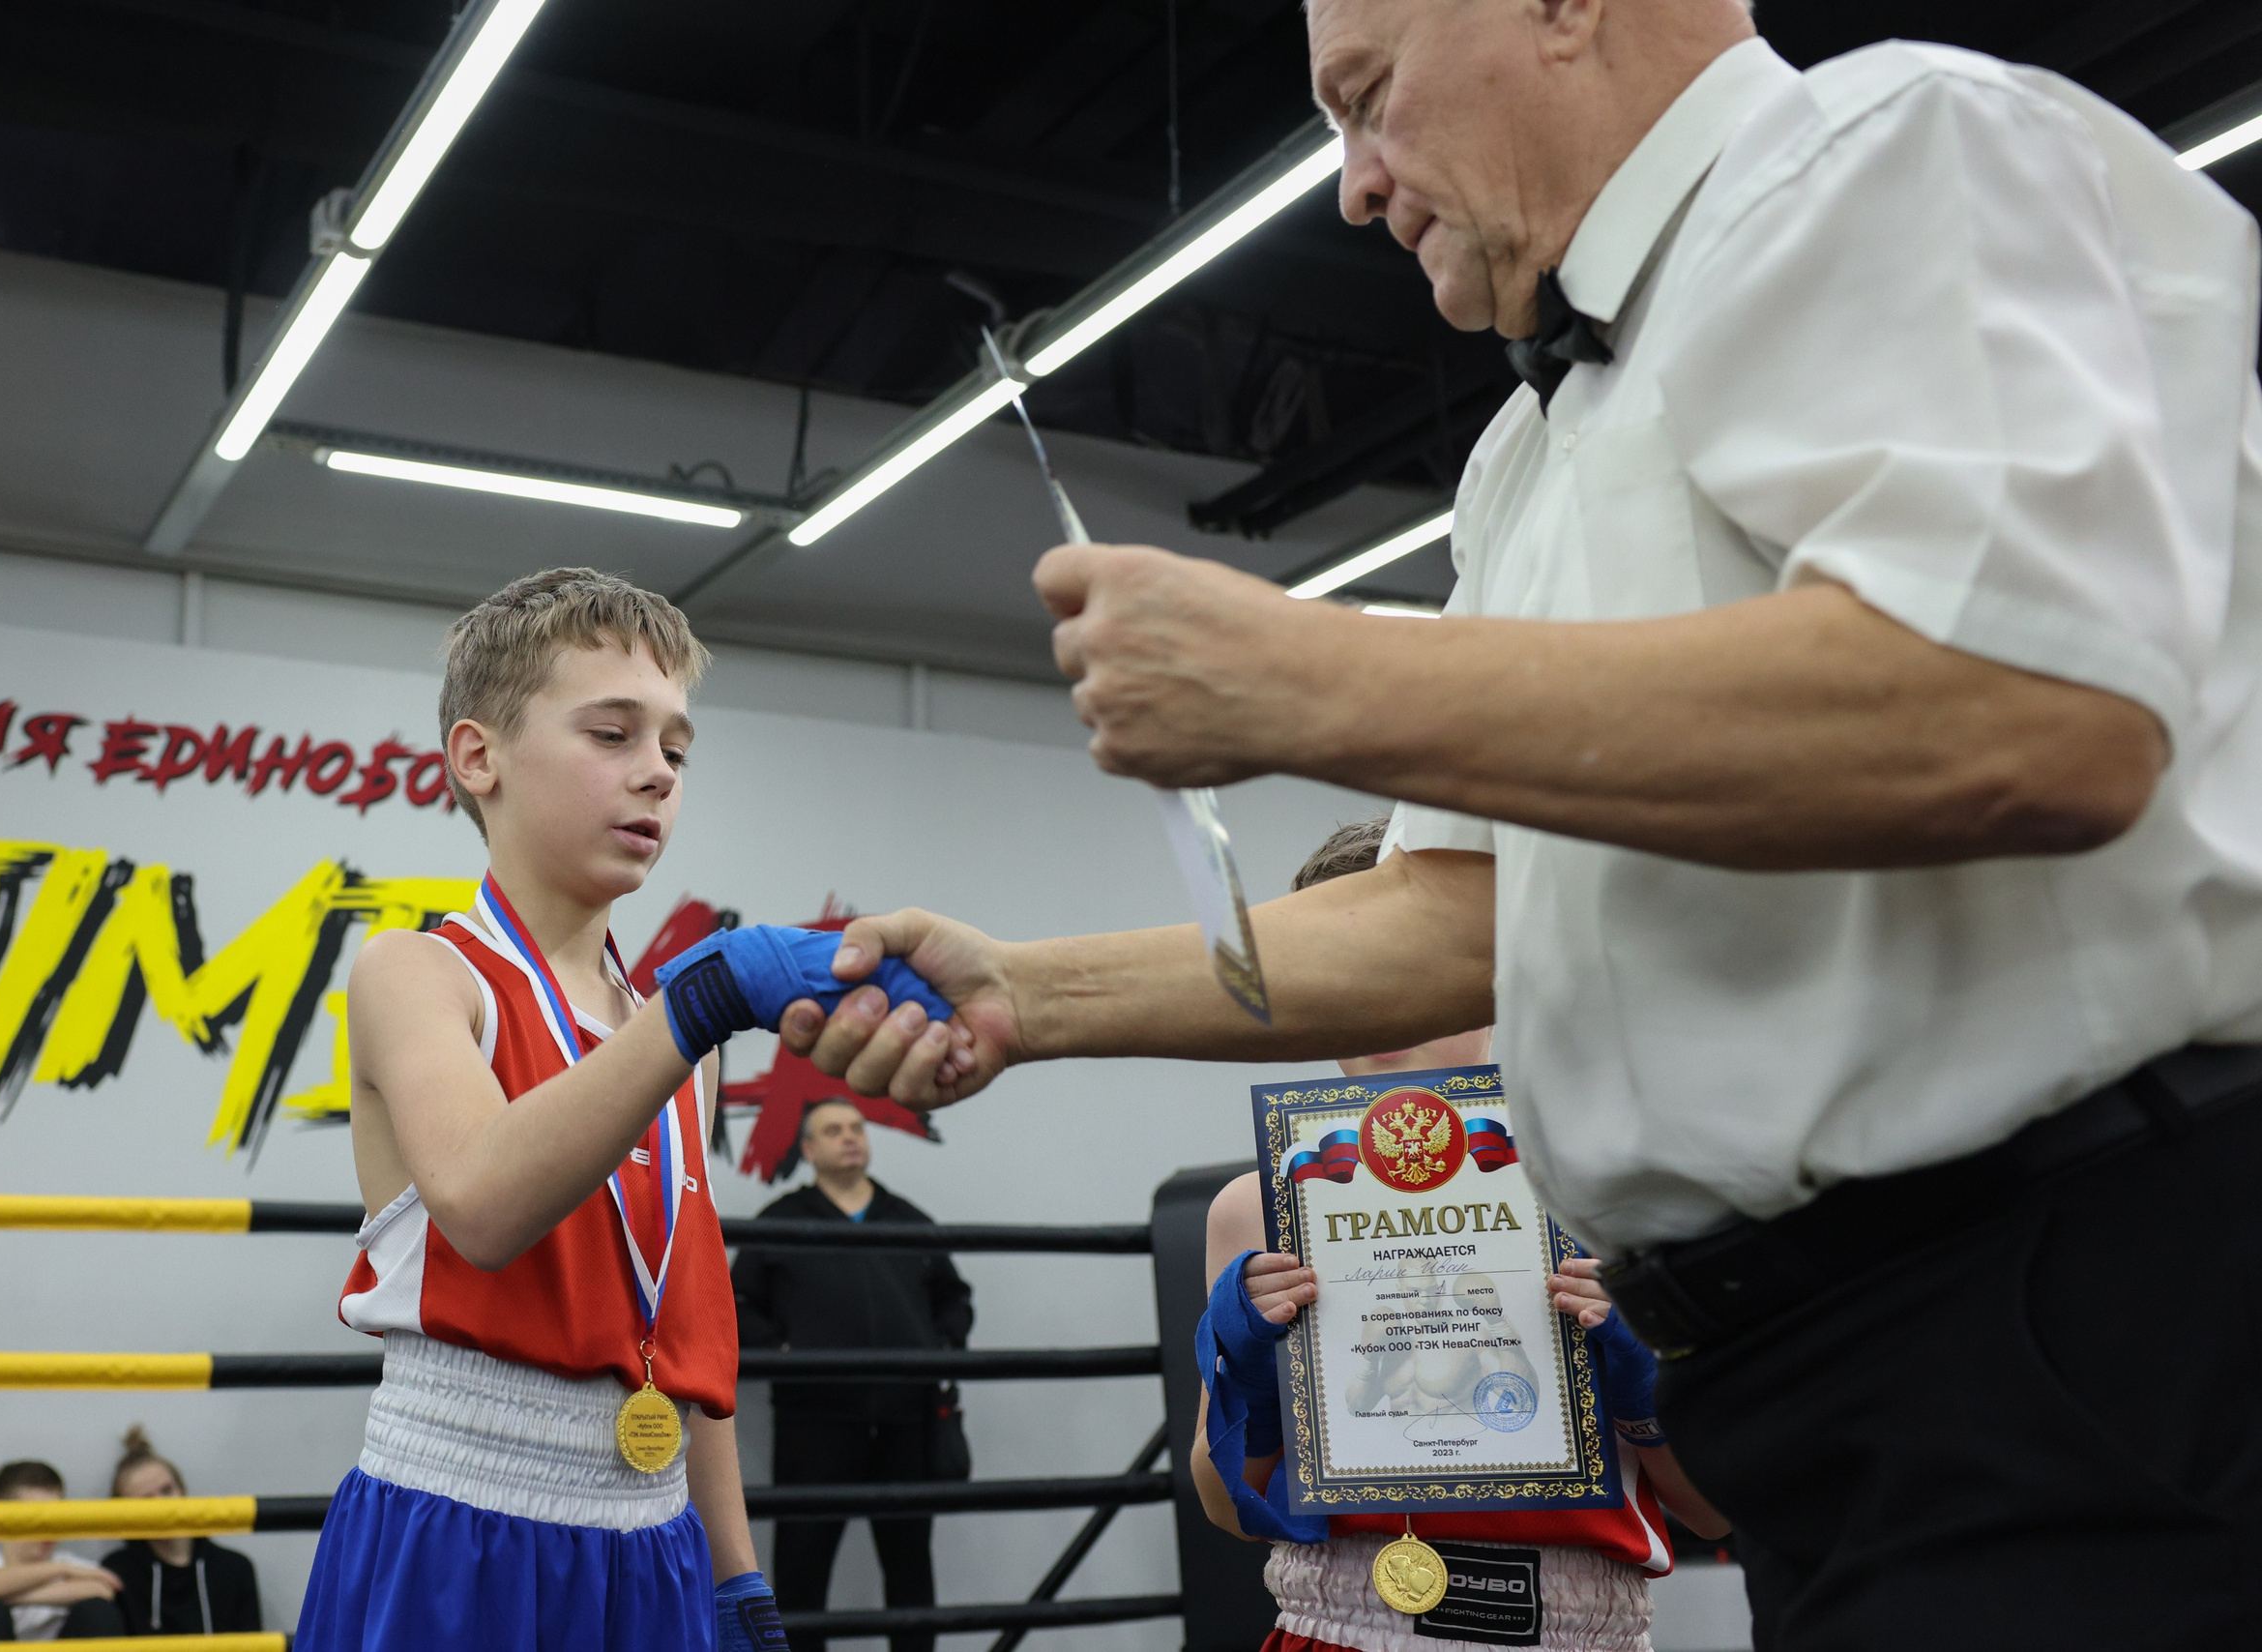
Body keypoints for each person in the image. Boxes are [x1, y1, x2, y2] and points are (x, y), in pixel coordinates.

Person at [779, 3, 2262, 1645]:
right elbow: (1457, 914)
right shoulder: (1529, 450)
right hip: (1826, 1383)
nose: (1350, 184)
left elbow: (2026, 705)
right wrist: (1028, 994)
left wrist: (1323, 676)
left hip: (2075, 1296)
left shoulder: (1885, 148)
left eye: (1368, 97)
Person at [295, 568, 949, 1652]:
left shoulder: (662, 1035)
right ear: (478, 757)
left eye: (677, 751)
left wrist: (738, 1577)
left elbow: (684, 1333)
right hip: (460, 1528)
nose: (655, 774)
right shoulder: (419, 973)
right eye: (612, 733)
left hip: (653, 1539)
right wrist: (700, 1002)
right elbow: (484, 1208)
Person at [1188, 818, 1726, 1652]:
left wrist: (1645, 1396)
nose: (1382, 1007)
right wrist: (1252, 1397)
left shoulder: (1615, 1183)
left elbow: (1712, 1508)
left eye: (1413, 974)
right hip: (1339, 1623)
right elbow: (1229, 1508)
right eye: (1345, 977)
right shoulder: (1259, 1208)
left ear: (1497, 973)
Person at [734, 1099, 975, 1652]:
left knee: (911, 1570)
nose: (849, 1138)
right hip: (814, 1423)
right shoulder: (781, 1222)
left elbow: (954, 1298)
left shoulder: (907, 1219)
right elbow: (737, 1302)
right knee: (802, 1571)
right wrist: (783, 1350)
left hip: (906, 1421)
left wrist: (940, 1349)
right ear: (808, 1149)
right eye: (833, 1130)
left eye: (856, 1127)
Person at [98, 1427, 262, 1635]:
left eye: (167, 1491)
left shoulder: (234, 1568)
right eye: (146, 1500)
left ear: (182, 1491)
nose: (163, 1505)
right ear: (126, 1514)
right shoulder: (117, 1571)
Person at [0, 1460, 124, 1641]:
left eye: (55, 1515)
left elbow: (103, 1590)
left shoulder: (69, 1563)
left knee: (97, 1611)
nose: (49, 1527)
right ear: (2, 1517)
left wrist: (9, 1596)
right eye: (37, 1516)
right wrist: (61, 1570)